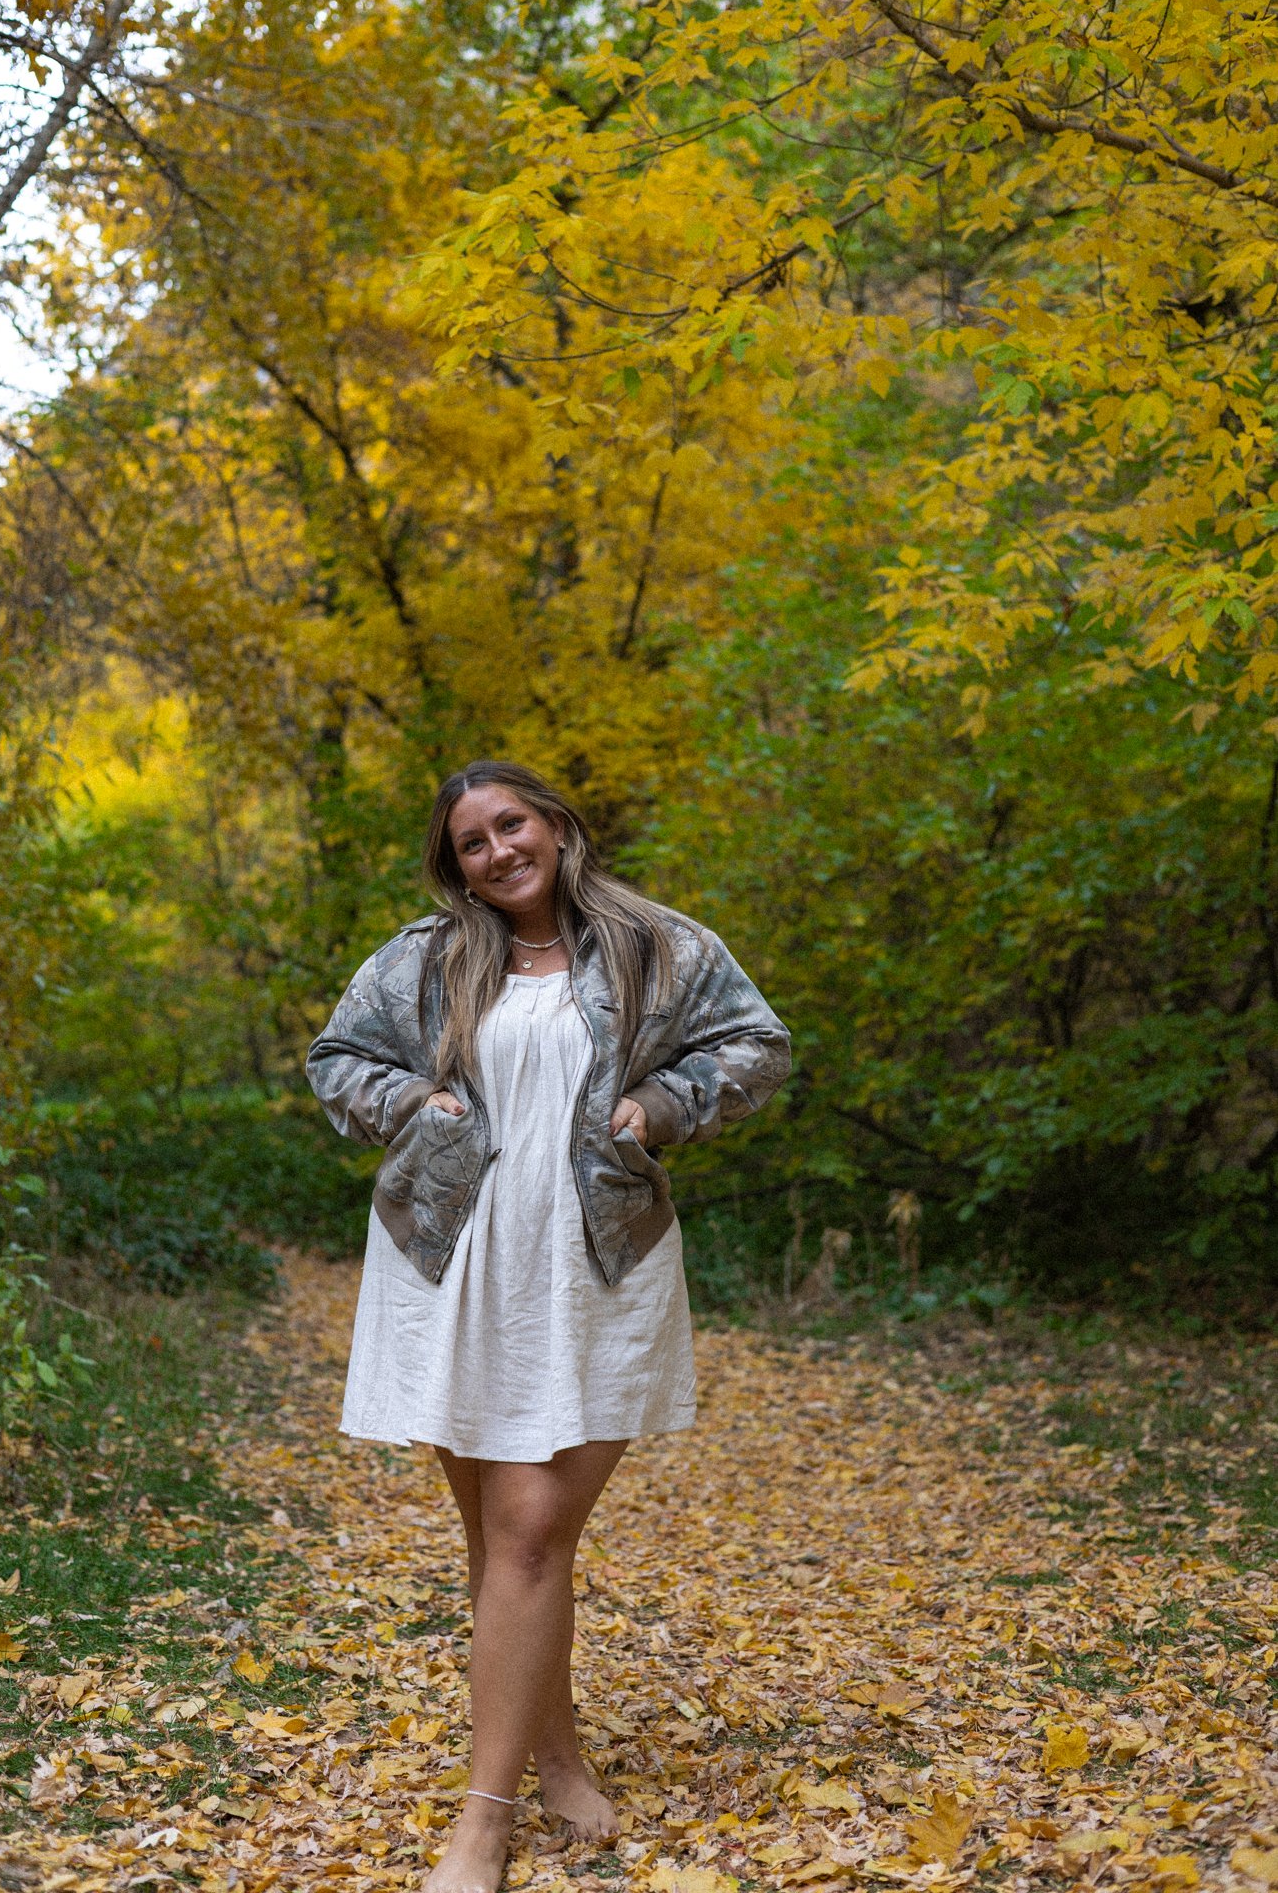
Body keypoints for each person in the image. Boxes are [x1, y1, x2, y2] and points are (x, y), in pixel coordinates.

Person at [306, 760, 790, 1893]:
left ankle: (482, 1824)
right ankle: (556, 1755)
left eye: (510, 824)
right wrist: (409, 1101)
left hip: (592, 1254)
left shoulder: (657, 945)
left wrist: (663, 1105)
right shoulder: (429, 957)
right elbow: (339, 1059)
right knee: (501, 1541)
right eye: (471, 841)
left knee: (528, 1525)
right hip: (453, 1253)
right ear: (456, 863)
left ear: (556, 824)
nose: (496, 851)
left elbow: (758, 1046)